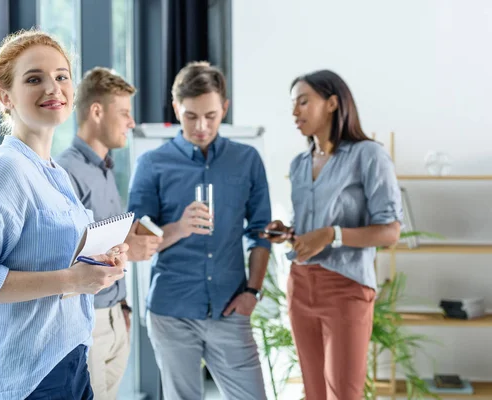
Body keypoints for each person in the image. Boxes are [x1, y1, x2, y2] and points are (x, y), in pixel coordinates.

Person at [0, 30, 128, 400]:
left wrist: (99, 262)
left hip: (66, 356)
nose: (53, 88)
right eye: (34, 79)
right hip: (19, 378)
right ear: (5, 97)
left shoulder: (54, 173)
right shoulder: (4, 171)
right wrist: (72, 281)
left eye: (61, 76)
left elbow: (47, 255)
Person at [128, 61, 271, 400]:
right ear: (176, 108)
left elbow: (261, 231)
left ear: (225, 107)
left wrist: (252, 291)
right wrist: (177, 228)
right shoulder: (152, 164)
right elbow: (133, 241)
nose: (202, 126)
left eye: (210, 115)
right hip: (171, 310)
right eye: (191, 116)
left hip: (230, 306)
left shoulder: (247, 160)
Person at [264, 70, 402, 400]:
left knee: (343, 393)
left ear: (332, 103)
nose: (295, 112)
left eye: (303, 102)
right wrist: (287, 232)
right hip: (300, 285)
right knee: (313, 392)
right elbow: (308, 226)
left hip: (346, 287)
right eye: (292, 105)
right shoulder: (299, 163)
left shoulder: (368, 155)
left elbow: (390, 231)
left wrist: (331, 234)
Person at [56, 67, 163, 400]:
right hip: (89, 320)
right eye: (125, 113)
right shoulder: (66, 171)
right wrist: (128, 246)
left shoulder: (105, 168)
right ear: (97, 112)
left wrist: (123, 306)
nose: (132, 123)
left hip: (115, 316)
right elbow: (63, 256)